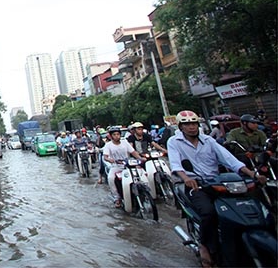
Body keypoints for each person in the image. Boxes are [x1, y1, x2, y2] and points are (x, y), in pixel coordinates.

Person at [167, 109, 265, 268]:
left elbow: (229, 159)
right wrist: (186, 178)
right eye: (187, 124)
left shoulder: (208, 140)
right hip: (196, 185)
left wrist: (252, 174)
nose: (191, 127)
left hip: (216, 182)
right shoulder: (174, 142)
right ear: (180, 127)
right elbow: (176, 164)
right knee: (209, 212)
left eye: (194, 123)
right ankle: (204, 245)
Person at [102, 126, 144, 208]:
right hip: (116, 166)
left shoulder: (125, 142)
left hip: (128, 164)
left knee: (141, 173)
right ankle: (117, 198)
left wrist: (140, 158)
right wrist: (109, 159)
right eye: (114, 134)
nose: (116, 136)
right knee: (110, 178)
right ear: (111, 136)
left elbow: (133, 152)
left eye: (118, 134)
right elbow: (105, 157)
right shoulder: (108, 145)